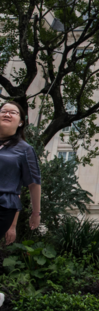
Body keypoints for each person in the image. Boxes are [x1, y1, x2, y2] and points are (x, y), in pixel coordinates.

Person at [0, 101, 41, 246]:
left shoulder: (24, 149)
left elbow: (34, 183)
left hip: (3, 206)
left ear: (20, 123)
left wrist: (36, 213)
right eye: (4, 111)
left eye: (13, 112)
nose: (7, 114)